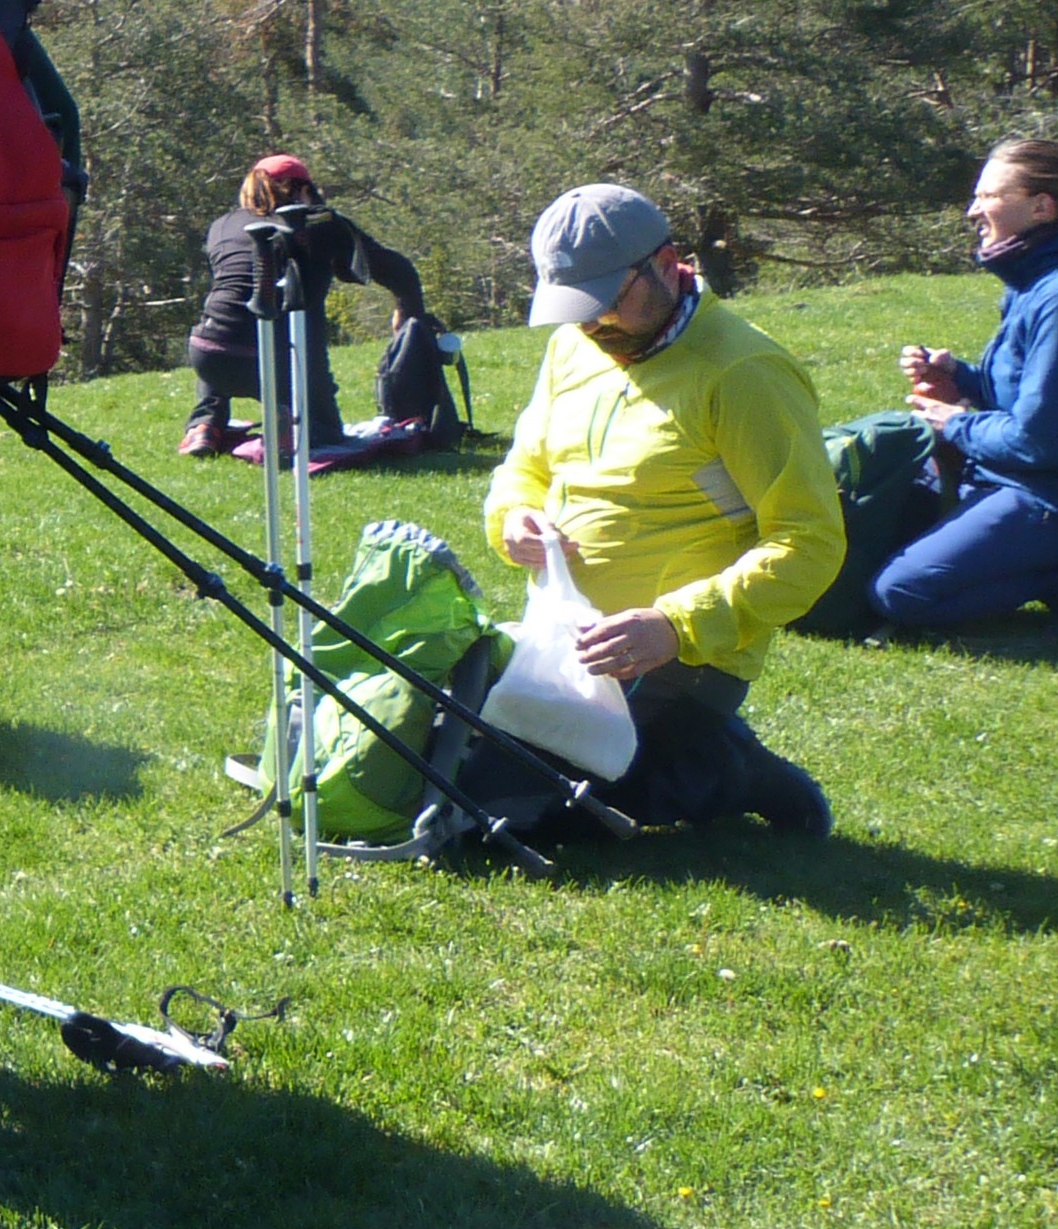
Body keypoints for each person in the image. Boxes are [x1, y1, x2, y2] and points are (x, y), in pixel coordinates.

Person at [482, 183, 839, 833]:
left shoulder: (744, 372)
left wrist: (674, 626)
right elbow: (525, 466)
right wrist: (512, 516)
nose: (590, 323)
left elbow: (809, 543)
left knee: (523, 818)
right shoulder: (574, 346)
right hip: (565, 635)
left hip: (684, 658)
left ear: (667, 264)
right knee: (452, 772)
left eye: (604, 302)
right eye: (574, 307)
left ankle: (731, 769)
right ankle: (688, 754)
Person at [870, 138, 1058, 635]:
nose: (973, 211)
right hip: (1019, 481)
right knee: (872, 535)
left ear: (1042, 207)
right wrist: (959, 377)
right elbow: (1037, 395)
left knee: (901, 592)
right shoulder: (1035, 281)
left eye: (988, 196)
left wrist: (955, 423)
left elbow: (1039, 442)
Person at [180, 156, 428, 457]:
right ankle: (295, 424)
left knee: (226, 323)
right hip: (278, 362)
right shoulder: (321, 222)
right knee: (325, 433)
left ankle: (204, 426)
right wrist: (407, 312)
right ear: (303, 190)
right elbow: (397, 270)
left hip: (209, 358)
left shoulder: (222, 225)